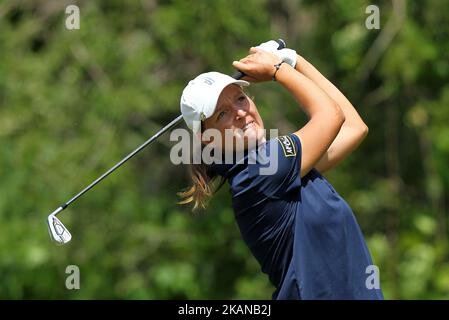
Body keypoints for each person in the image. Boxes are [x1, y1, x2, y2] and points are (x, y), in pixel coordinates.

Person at [178, 41, 384, 300]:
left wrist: (294, 61)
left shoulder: (280, 170)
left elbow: (354, 127)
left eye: (240, 98)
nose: (240, 113)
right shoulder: (260, 170)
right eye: (222, 114)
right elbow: (331, 116)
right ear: (208, 139)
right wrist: (279, 70)